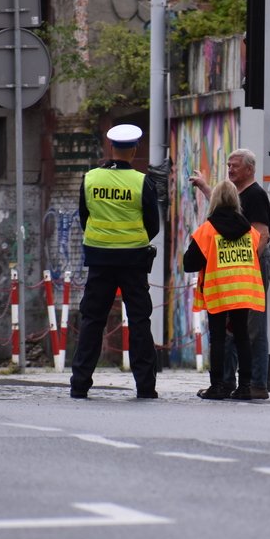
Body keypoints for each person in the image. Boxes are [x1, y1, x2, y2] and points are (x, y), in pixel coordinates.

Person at [69, 123, 161, 399]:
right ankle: (145, 386)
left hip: (99, 259)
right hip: (133, 260)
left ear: (110, 147)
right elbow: (152, 225)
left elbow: (84, 218)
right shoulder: (142, 182)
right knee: (139, 321)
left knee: (92, 320)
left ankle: (80, 383)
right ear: (135, 149)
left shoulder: (90, 179)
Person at [189, 149, 270, 399]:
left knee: (252, 328)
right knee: (234, 328)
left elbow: (262, 235)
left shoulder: (255, 195)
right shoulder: (237, 195)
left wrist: (245, 264)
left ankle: (257, 383)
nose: (230, 169)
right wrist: (205, 186)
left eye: (235, 166)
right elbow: (223, 206)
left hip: (250, 266)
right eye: (228, 165)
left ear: (250, 169)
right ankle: (231, 382)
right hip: (239, 267)